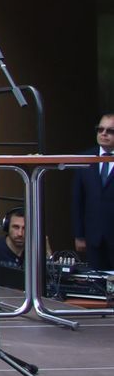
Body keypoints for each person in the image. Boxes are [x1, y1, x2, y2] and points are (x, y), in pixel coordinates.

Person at [71, 114, 114, 271]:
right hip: (93, 236)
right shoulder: (84, 158)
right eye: (100, 129)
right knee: (96, 282)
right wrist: (79, 235)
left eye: (110, 131)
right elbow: (78, 200)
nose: (104, 134)